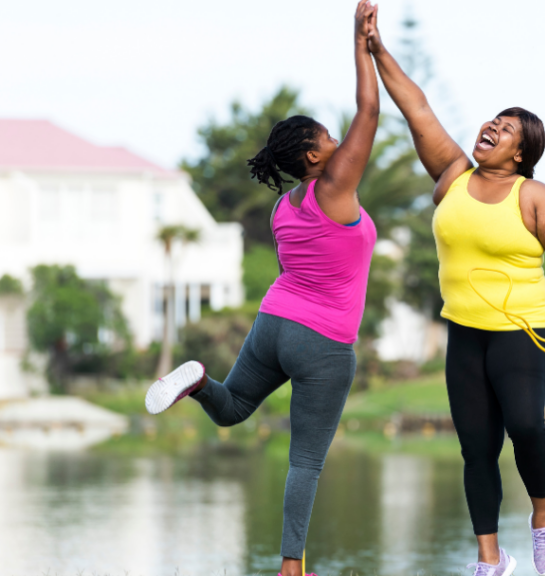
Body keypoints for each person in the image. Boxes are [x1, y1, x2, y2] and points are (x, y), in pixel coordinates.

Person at [143, 3, 380, 575]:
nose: (337, 140)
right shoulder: (334, 187)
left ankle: (199, 380)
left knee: (232, 409)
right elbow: (370, 110)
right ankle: (292, 567)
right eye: (328, 137)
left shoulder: (284, 206)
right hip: (322, 341)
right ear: (314, 155)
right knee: (305, 462)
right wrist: (361, 42)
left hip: (274, 323)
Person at [362, 5, 545, 576]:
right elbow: (418, 110)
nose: (491, 128)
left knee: (527, 427)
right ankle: (489, 559)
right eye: (492, 120)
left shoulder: (535, 197)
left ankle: (542, 518)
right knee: (476, 448)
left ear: (521, 152)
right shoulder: (453, 179)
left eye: (505, 128)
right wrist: (378, 48)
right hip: (464, 334)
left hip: (522, 332)